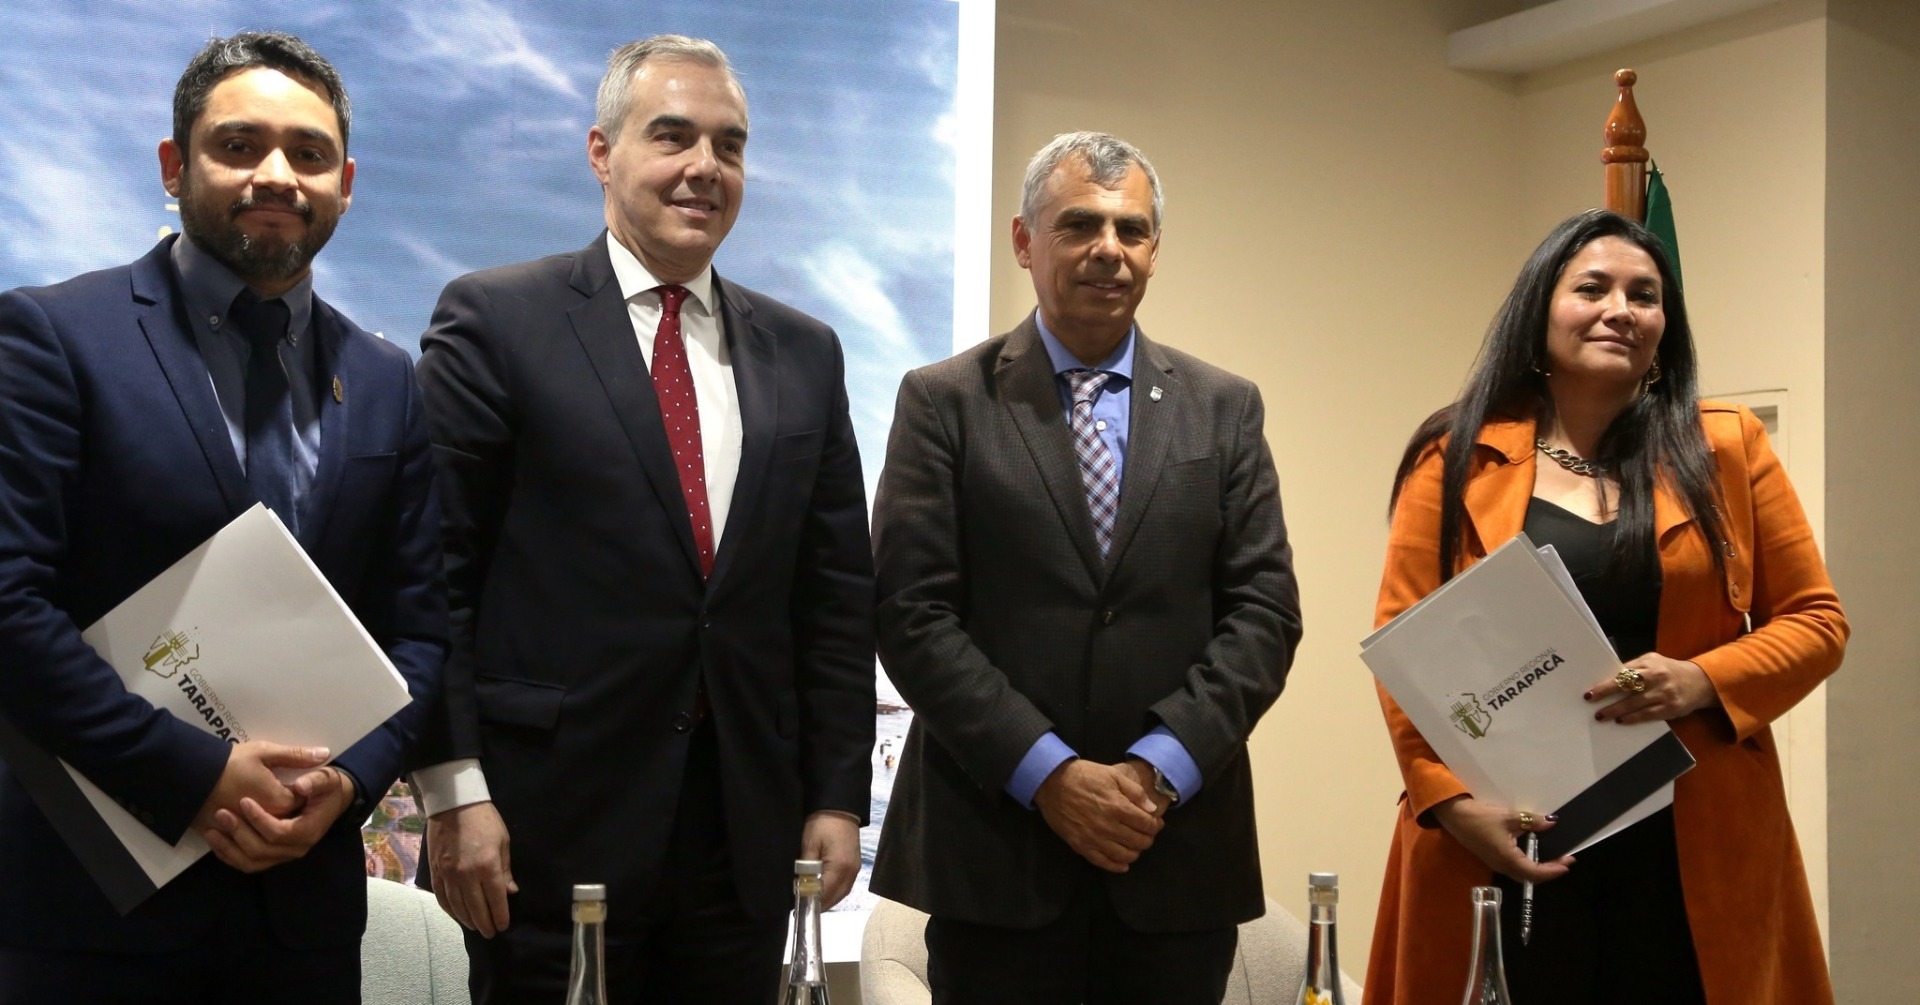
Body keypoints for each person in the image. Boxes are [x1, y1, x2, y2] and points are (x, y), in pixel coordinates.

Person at [411, 35, 875, 1005]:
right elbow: (434, 574)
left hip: (741, 843)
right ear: (601, 152)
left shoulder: (807, 353)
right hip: (542, 833)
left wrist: (837, 794)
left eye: (729, 145)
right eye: (673, 136)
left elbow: (832, 596)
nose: (705, 166)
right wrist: (453, 790)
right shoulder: (497, 320)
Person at [0, 32, 446, 1002]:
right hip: (94, 918)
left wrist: (348, 781)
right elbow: (9, 601)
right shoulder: (52, 336)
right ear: (175, 165)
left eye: (309, 154)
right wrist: (192, 773)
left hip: (303, 918)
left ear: (345, 186)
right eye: (240, 145)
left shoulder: (386, 382)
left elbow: (421, 627)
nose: (277, 174)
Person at [1363, 209, 1847, 1005]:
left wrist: (1699, 678)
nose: (1620, 310)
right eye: (1592, 288)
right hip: (1506, 831)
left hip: (1689, 837)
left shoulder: (1727, 447)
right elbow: (1405, 655)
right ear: (1541, 309)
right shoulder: (1453, 456)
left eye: (1644, 295)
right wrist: (1446, 802)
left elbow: (1817, 623)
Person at [869, 131, 1302, 1005]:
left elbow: (1265, 614)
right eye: (1079, 225)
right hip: (997, 860)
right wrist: (1050, 775)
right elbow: (910, 613)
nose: (1109, 248)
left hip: (1173, 856)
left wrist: (1155, 771)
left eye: (1131, 229)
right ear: (1024, 241)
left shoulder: (1224, 408)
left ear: (1154, 250)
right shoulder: (944, 401)